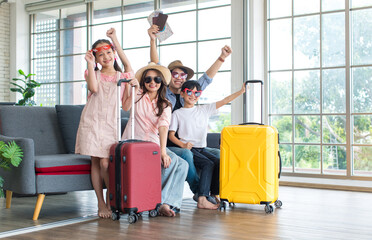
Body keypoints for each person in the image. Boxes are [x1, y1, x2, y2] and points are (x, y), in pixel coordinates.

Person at [148, 25, 232, 200]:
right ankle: (199, 191)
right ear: (168, 76)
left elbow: (206, 78)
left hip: (190, 142)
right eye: (175, 74)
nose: (179, 78)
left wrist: (222, 58)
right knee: (186, 154)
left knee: (219, 155)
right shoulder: (163, 93)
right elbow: (155, 66)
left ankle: (212, 191)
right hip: (170, 141)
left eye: (183, 75)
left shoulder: (189, 93)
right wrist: (152, 40)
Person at [75, 28, 136, 219]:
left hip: (111, 123)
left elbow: (126, 105)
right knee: (96, 160)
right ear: (95, 58)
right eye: (100, 55)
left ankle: (113, 200)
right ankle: (101, 203)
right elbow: (93, 88)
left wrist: (114, 39)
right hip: (92, 121)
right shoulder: (92, 73)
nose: (106, 57)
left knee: (105, 161)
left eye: (109, 53)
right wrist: (91, 64)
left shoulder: (123, 77)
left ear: (114, 54)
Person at [121, 62, 188, 217]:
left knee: (182, 164)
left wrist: (163, 151)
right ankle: (157, 203)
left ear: (161, 83)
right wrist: (132, 89)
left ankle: (165, 202)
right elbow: (125, 107)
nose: (153, 82)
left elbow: (163, 127)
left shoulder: (165, 104)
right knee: (174, 161)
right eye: (148, 79)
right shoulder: (137, 96)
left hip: (152, 144)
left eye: (157, 79)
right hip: (133, 142)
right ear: (144, 81)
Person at [169, 80, 246, 209]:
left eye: (197, 93)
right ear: (182, 94)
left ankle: (213, 193)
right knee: (208, 164)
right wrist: (182, 145)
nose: (193, 95)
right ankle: (202, 199)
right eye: (189, 92)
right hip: (190, 148)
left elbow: (225, 100)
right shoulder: (177, 113)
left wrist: (241, 92)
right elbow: (171, 135)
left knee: (218, 161)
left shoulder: (204, 109)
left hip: (202, 148)